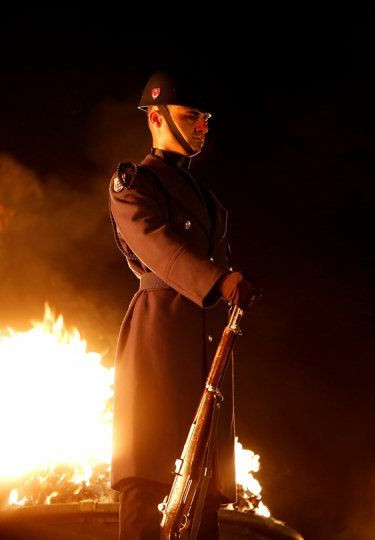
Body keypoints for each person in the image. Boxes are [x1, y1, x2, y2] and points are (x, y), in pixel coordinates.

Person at [108, 70, 262, 539]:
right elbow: (157, 246)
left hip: (206, 346)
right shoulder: (133, 182)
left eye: (205, 118)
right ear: (156, 118)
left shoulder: (210, 202)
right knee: (148, 483)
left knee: (204, 502)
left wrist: (227, 285)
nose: (202, 126)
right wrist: (219, 280)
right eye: (191, 115)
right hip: (159, 339)